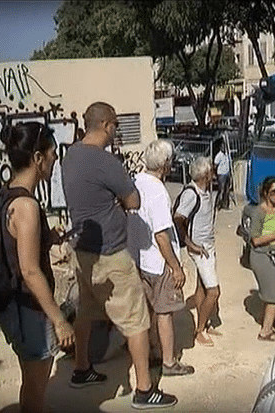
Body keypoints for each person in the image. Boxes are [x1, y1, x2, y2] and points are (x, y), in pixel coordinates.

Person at [61, 102, 177, 409]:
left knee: (86, 311)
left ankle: (81, 368)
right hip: (111, 253)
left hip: (83, 251)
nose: (116, 132)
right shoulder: (105, 161)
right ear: (106, 125)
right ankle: (144, 389)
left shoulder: (70, 156)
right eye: (115, 125)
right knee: (137, 320)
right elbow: (134, 200)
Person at [0, 122, 75, 412]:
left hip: (17, 307)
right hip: (29, 309)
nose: (55, 158)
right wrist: (59, 319)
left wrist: (47, 238)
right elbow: (29, 270)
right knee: (35, 383)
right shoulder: (27, 207)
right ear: (38, 158)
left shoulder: (9, 194)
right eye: (53, 153)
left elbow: (16, 248)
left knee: (32, 381)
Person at [128, 139, 194, 376]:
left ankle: (152, 351)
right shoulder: (158, 191)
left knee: (147, 310)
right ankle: (168, 361)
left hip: (140, 259)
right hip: (158, 262)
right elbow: (162, 236)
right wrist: (175, 267)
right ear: (166, 164)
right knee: (165, 312)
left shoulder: (136, 181)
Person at [173, 157, 222, 347]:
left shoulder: (205, 192)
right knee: (214, 291)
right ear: (205, 174)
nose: (214, 172)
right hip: (201, 250)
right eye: (211, 170)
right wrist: (190, 244)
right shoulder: (191, 194)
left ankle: (205, 324)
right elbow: (178, 219)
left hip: (208, 246)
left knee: (202, 287)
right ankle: (200, 330)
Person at [248, 176, 275, 342]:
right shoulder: (259, 212)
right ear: (266, 193)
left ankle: (268, 323)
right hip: (262, 256)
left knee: (271, 292)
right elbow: (255, 240)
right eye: (274, 192)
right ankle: (265, 331)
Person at [214, 140, 231, 210]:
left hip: (227, 173)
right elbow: (215, 165)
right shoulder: (219, 155)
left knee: (227, 190)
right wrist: (215, 175)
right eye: (223, 147)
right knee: (221, 189)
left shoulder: (228, 154)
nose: (224, 148)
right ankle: (217, 204)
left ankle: (225, 205)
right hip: (221, 174)